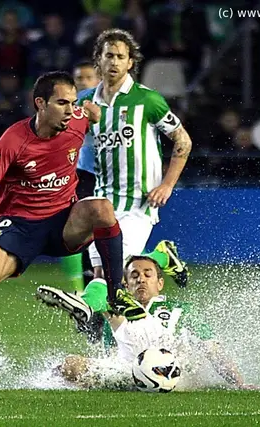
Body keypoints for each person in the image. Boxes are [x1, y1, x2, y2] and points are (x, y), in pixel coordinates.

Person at [0, 71, 145, 389]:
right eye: (62, 103)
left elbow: (94, 111)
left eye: (73, 103)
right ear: (40, 104)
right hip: (18, 228)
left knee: (101, 209)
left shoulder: (77, 118)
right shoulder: (14, 139)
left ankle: (116, 293)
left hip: (64, 223)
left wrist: (96, 112)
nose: (70, 109)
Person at [36, 256, 257, 390]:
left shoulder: (183, 311)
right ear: (126, 283)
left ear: (160, 282)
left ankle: (86, 301)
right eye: (134, 275)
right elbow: (110, 354)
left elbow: (212, 349)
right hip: (126, 371)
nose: (140, 279)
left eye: (147, 274)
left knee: (108, 296)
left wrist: (238, 382)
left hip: (169, 371)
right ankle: (88, 303)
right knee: (69, 364)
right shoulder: (115, 312)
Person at [79, 28, 193, 287]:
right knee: (101, 275)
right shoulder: (84, 102)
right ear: (99, 59)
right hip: (102, 202)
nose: (114, 62)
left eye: (121, 57)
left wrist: (167, 185)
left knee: (113, 274)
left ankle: (160, 259)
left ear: (130, 63)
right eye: (109, 55)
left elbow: (182, 140)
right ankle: (162, 257)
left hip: (139, 201)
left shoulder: (147, 100)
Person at [59, 61, 102, 292]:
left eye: (88, 77)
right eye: (79, 78)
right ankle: (86, 289)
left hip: (115, 176)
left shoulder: (112, 103)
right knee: (84, 232)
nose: (83, 82)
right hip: (85, 176)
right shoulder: (75, 107)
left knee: (117, 232)